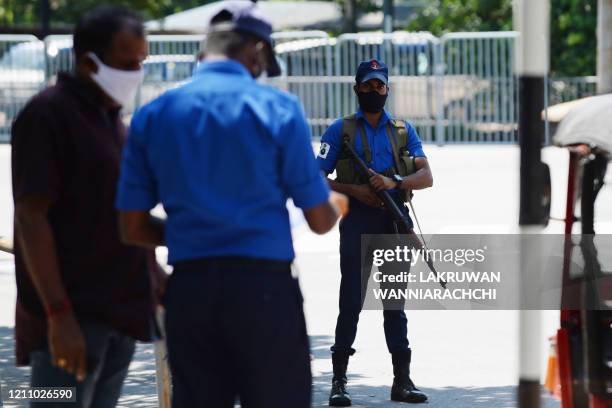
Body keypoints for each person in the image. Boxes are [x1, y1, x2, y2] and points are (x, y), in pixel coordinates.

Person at [115, 2, 347, 407]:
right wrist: (336, 204)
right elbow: (318, 220)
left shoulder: (153, 115)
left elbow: (131, 227)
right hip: (263, 292)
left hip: (190, 290)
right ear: (256, 51)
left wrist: (199, 232)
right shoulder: (278, 109)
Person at [10, 6, 163, 408]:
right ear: (87, 62)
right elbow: (31, 216)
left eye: (141, 63)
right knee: (54, 400)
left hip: (120, 313)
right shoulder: (48, 114)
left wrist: (156, 278)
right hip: (71, 319)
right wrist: (58, 316)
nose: (136, 73)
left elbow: (120, 215)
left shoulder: (113, 122)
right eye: (126, 63)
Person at [317, 59, 433, 406]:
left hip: (393, 223)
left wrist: (394, 181)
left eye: (379, 86)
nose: (373, 91)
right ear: (356, 89)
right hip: (357, 223)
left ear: (387, 89)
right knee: (350, 301)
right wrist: (356, 190)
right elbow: (316, 178)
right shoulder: (341, 131)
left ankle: (402, 380)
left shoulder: (402, 130)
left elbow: (427, 177)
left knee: (394, 304)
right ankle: (339, 381)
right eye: (366, 86)